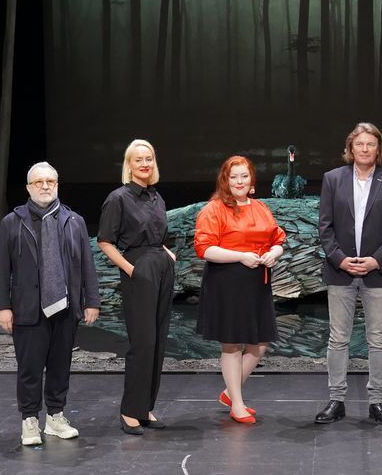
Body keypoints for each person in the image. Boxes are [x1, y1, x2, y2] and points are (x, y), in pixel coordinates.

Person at [0, 161, 100, 446]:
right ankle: (29, 420)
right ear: (29, 187)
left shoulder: (74, 221)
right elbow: (2, 268)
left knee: (60, 367)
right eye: (38, 182)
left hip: (65, 307)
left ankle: (55, 416)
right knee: (29, 368)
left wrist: (91, 300)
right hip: (28, 308)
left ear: (57, 185)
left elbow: (87, 264)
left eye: (50, 182)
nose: (45, 186)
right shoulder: (12, 222)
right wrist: (3, 307)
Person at [315, 122, 382, 426]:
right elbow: (325, 227)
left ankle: (377, 402)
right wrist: (340, 260)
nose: (365, 149)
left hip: (378, 272)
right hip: (340, 271)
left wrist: (376, 261)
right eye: (359, 144)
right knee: (338, 338)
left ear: (379, 149)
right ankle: (336, 400)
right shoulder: (332, 179)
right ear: (350, 148)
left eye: (370, 144)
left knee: (378, 339)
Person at [194, 156, 286, 425]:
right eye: (233, 177)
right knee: (232, 344)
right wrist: (241, 256)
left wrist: (274, 253)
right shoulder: (214, 209)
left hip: (258, 283)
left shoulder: (260, 208)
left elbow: (277, 239)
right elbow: (205, 249)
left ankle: (229, 393)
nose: (239, 181)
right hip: (227, 283)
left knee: (260, 343)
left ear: (251, 179)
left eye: (244, 176)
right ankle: (237, 403)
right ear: (225, 180)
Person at [98, 140, 176, 435]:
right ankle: (130, 410)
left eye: (149, 158)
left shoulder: (156, 196)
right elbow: (105, 241)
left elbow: (159, 236)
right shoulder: (118, 198)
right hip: (138, 269)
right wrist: (131, 269)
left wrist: (167, 254)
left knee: (157, 343)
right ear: (129, 165)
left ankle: (145, 408)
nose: (145, 164)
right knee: (142, 342)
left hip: (161, 266)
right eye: (139, 159)